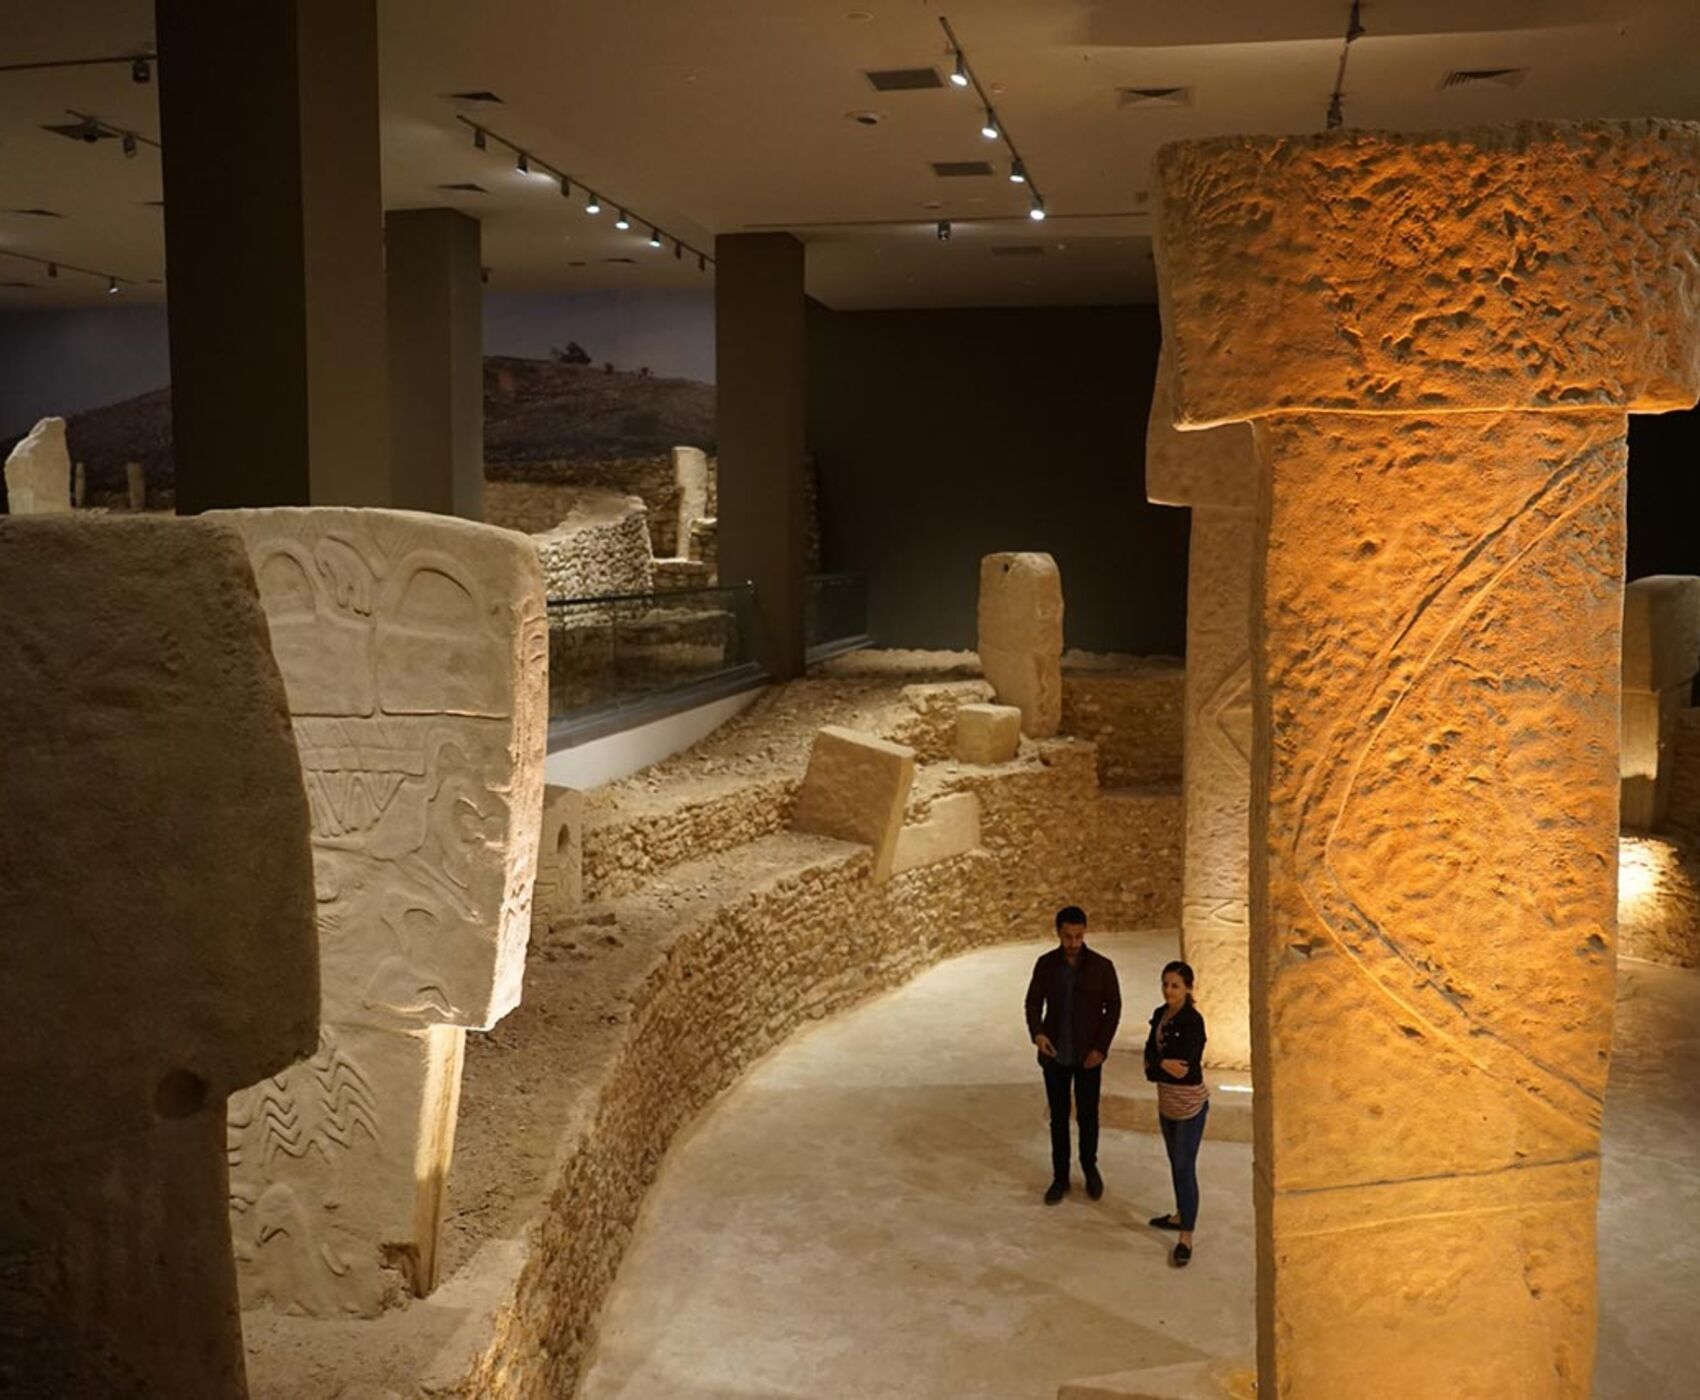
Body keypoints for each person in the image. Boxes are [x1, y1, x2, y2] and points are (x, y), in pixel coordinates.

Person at [1024, 905, 1122, 1205]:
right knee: (1059, 1118)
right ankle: (1060, 1176)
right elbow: (1032, 1003)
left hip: (1088, 1057)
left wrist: (1101, 1049)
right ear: (1059, 934)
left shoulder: (1102, 967)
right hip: (1055, 1055)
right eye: (1068, 937)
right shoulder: (1045, 965)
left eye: (1079, 936)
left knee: (1089, 1116)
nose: (1073, 943)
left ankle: (1090, 1168)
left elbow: (1113, 1008)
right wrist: (1038, 1035)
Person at [1144, 959, 1209, 1266]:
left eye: (1175, 985)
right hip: (1166, 1102)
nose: (1169, 990)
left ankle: (1186, 1235)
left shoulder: (1192, 1021)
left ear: (1188, 989)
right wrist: (1159, 1064)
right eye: (1166, 984)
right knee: (1175, 1163)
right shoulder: (1160, 1015)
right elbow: (1149, 1059)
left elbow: (1182, 1069)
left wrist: (1159, 1064)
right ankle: (1181, 1212)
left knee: (1184, 1166)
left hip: (1188, 1105)